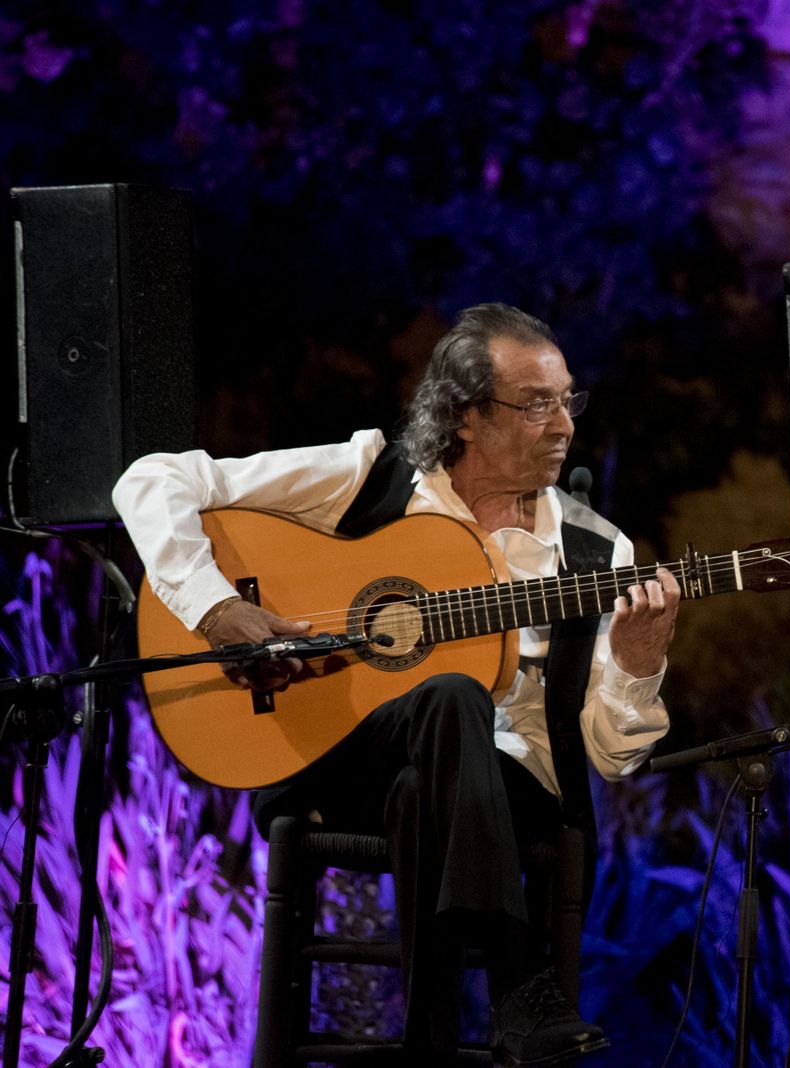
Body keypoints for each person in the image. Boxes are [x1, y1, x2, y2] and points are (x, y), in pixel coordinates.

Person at [114, 303, 680, 1064]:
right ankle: (519, 982)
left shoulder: (593, 550)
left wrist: (640, 663)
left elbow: (613, 760)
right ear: (467, 417)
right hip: (343, 755)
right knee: (450, 698)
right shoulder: (370, 477)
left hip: (513, 788)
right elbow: (152, 479)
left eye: (567, 400)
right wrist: (219, 608)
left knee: (434, 760)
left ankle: (432, 1047)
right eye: (535, 404)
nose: (564, 425)